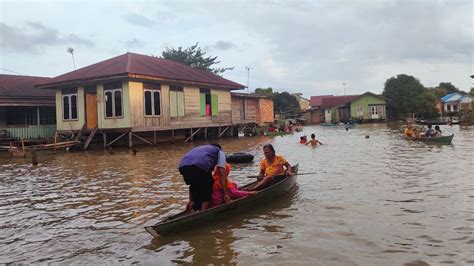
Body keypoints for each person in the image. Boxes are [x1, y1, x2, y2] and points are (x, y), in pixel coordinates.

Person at [178, 144, 231, 211]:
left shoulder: (201, 148)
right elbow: (222, 172)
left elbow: (192, 184)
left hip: (183, 166)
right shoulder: (219, 151)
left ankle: (193, 205)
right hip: (200, 166)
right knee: (208, 184)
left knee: (194, 184)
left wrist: (191, 200)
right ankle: (203, 211)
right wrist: (226, 194)